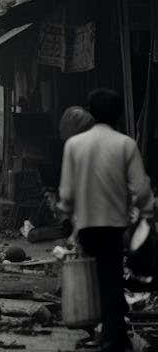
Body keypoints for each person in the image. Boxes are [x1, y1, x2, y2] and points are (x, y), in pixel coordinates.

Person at [59, 89, 154, 352]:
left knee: (99, 278)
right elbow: (141, 188)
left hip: (86, 225)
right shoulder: (125, 144)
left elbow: (66, 192)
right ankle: (114, 336)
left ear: (91, 111)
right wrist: (146, 217)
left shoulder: (74, 145)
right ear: (119, 114)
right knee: (111, 277)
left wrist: (66, 216)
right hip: (114, 225)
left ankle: (112, 334)